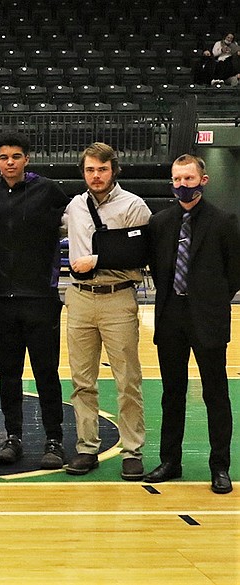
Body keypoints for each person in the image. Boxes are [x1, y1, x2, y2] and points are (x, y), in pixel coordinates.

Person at [0, 132, 69, 470]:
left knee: (46, 373)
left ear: (27, 159)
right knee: (7, 374)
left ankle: (54, 439)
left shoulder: (49, 190)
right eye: (4, 157)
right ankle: (13, 437)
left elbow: (76, 221)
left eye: (16, 156)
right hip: (0, 301)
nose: (10, 162)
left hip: (41, 298)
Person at [142, 154, 240, 495]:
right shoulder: (160, 222)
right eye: (177, 179)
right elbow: (157, 267)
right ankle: (171, 461)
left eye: (189, 179)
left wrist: (209, 300)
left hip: (208, 318)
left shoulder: (225, 222)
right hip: (171, 317)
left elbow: (234, 273)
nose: (183, 185)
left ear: (204, 180)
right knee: (172, 393)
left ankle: (220, 466)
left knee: (215, 393)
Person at [62, 143, 151, 480]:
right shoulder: (75, 205)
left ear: (114, 170)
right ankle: (87, 447)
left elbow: (139, 253)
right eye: (89, 169)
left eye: (101, 169)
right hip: (80, 298)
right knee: (82, 380)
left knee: (127, 379)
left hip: (118, 297)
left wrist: (97, 260)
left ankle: (132, 449)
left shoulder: (134, 206)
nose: (95, 175)